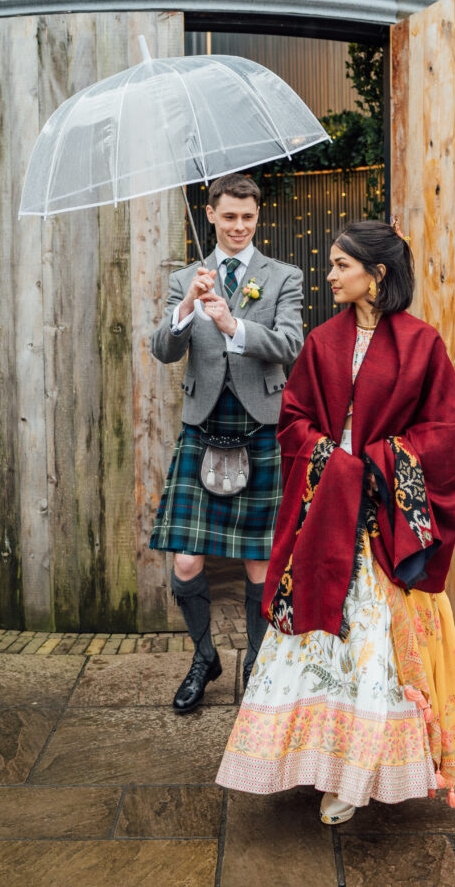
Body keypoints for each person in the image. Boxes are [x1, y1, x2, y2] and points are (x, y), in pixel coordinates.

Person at [216, 219, 455, 823]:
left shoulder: (423, 345)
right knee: (317, 639)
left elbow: (440, 433)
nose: (329, 275)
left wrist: (380, 465)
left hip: (385, 521)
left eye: (342, 265)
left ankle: (358, 775)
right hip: (326, 511)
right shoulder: (321, 342)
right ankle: (315, 759)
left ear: (377, 275)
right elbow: (294, 421)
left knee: (372, 643)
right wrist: (335, 466)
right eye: (332, 264)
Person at [150, 172, 304, 713]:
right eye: (230, 216)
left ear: (257, 218)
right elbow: (164, 350)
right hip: (203, 431)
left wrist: (235, 325)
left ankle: (259, 666)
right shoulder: (186, 279)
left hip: (260, 431)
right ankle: (203, 657)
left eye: (249, 217)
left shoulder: (283, 276)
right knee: (187, 562)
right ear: (210, 214)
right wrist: (188, 307)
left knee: (259, 566)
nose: (240, 226)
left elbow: (290, 344)